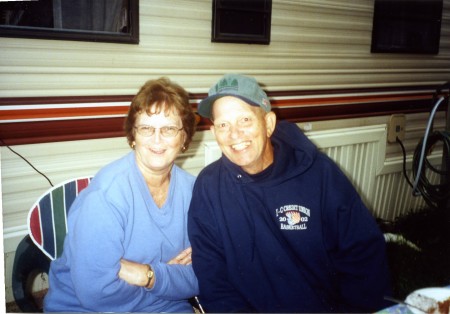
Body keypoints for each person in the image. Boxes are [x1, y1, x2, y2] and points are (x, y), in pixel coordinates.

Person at [188, 73, 391, 313]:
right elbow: (213, 277)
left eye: (244, 120)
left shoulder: (319, 174)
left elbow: (363, 256)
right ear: (214, 132)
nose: (234, 134)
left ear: (269, 124)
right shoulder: (209, 187)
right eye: (223, 124)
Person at [44, 77, 199, 312]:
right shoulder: (106, 197)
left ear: (184, 137)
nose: (157, 139)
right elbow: (97, 294)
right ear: (133, 136)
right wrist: (164, 278)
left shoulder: (194, 192)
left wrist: (146, 275)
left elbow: (201, 276)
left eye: (168, 129)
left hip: (162, 306)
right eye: (146, 128)